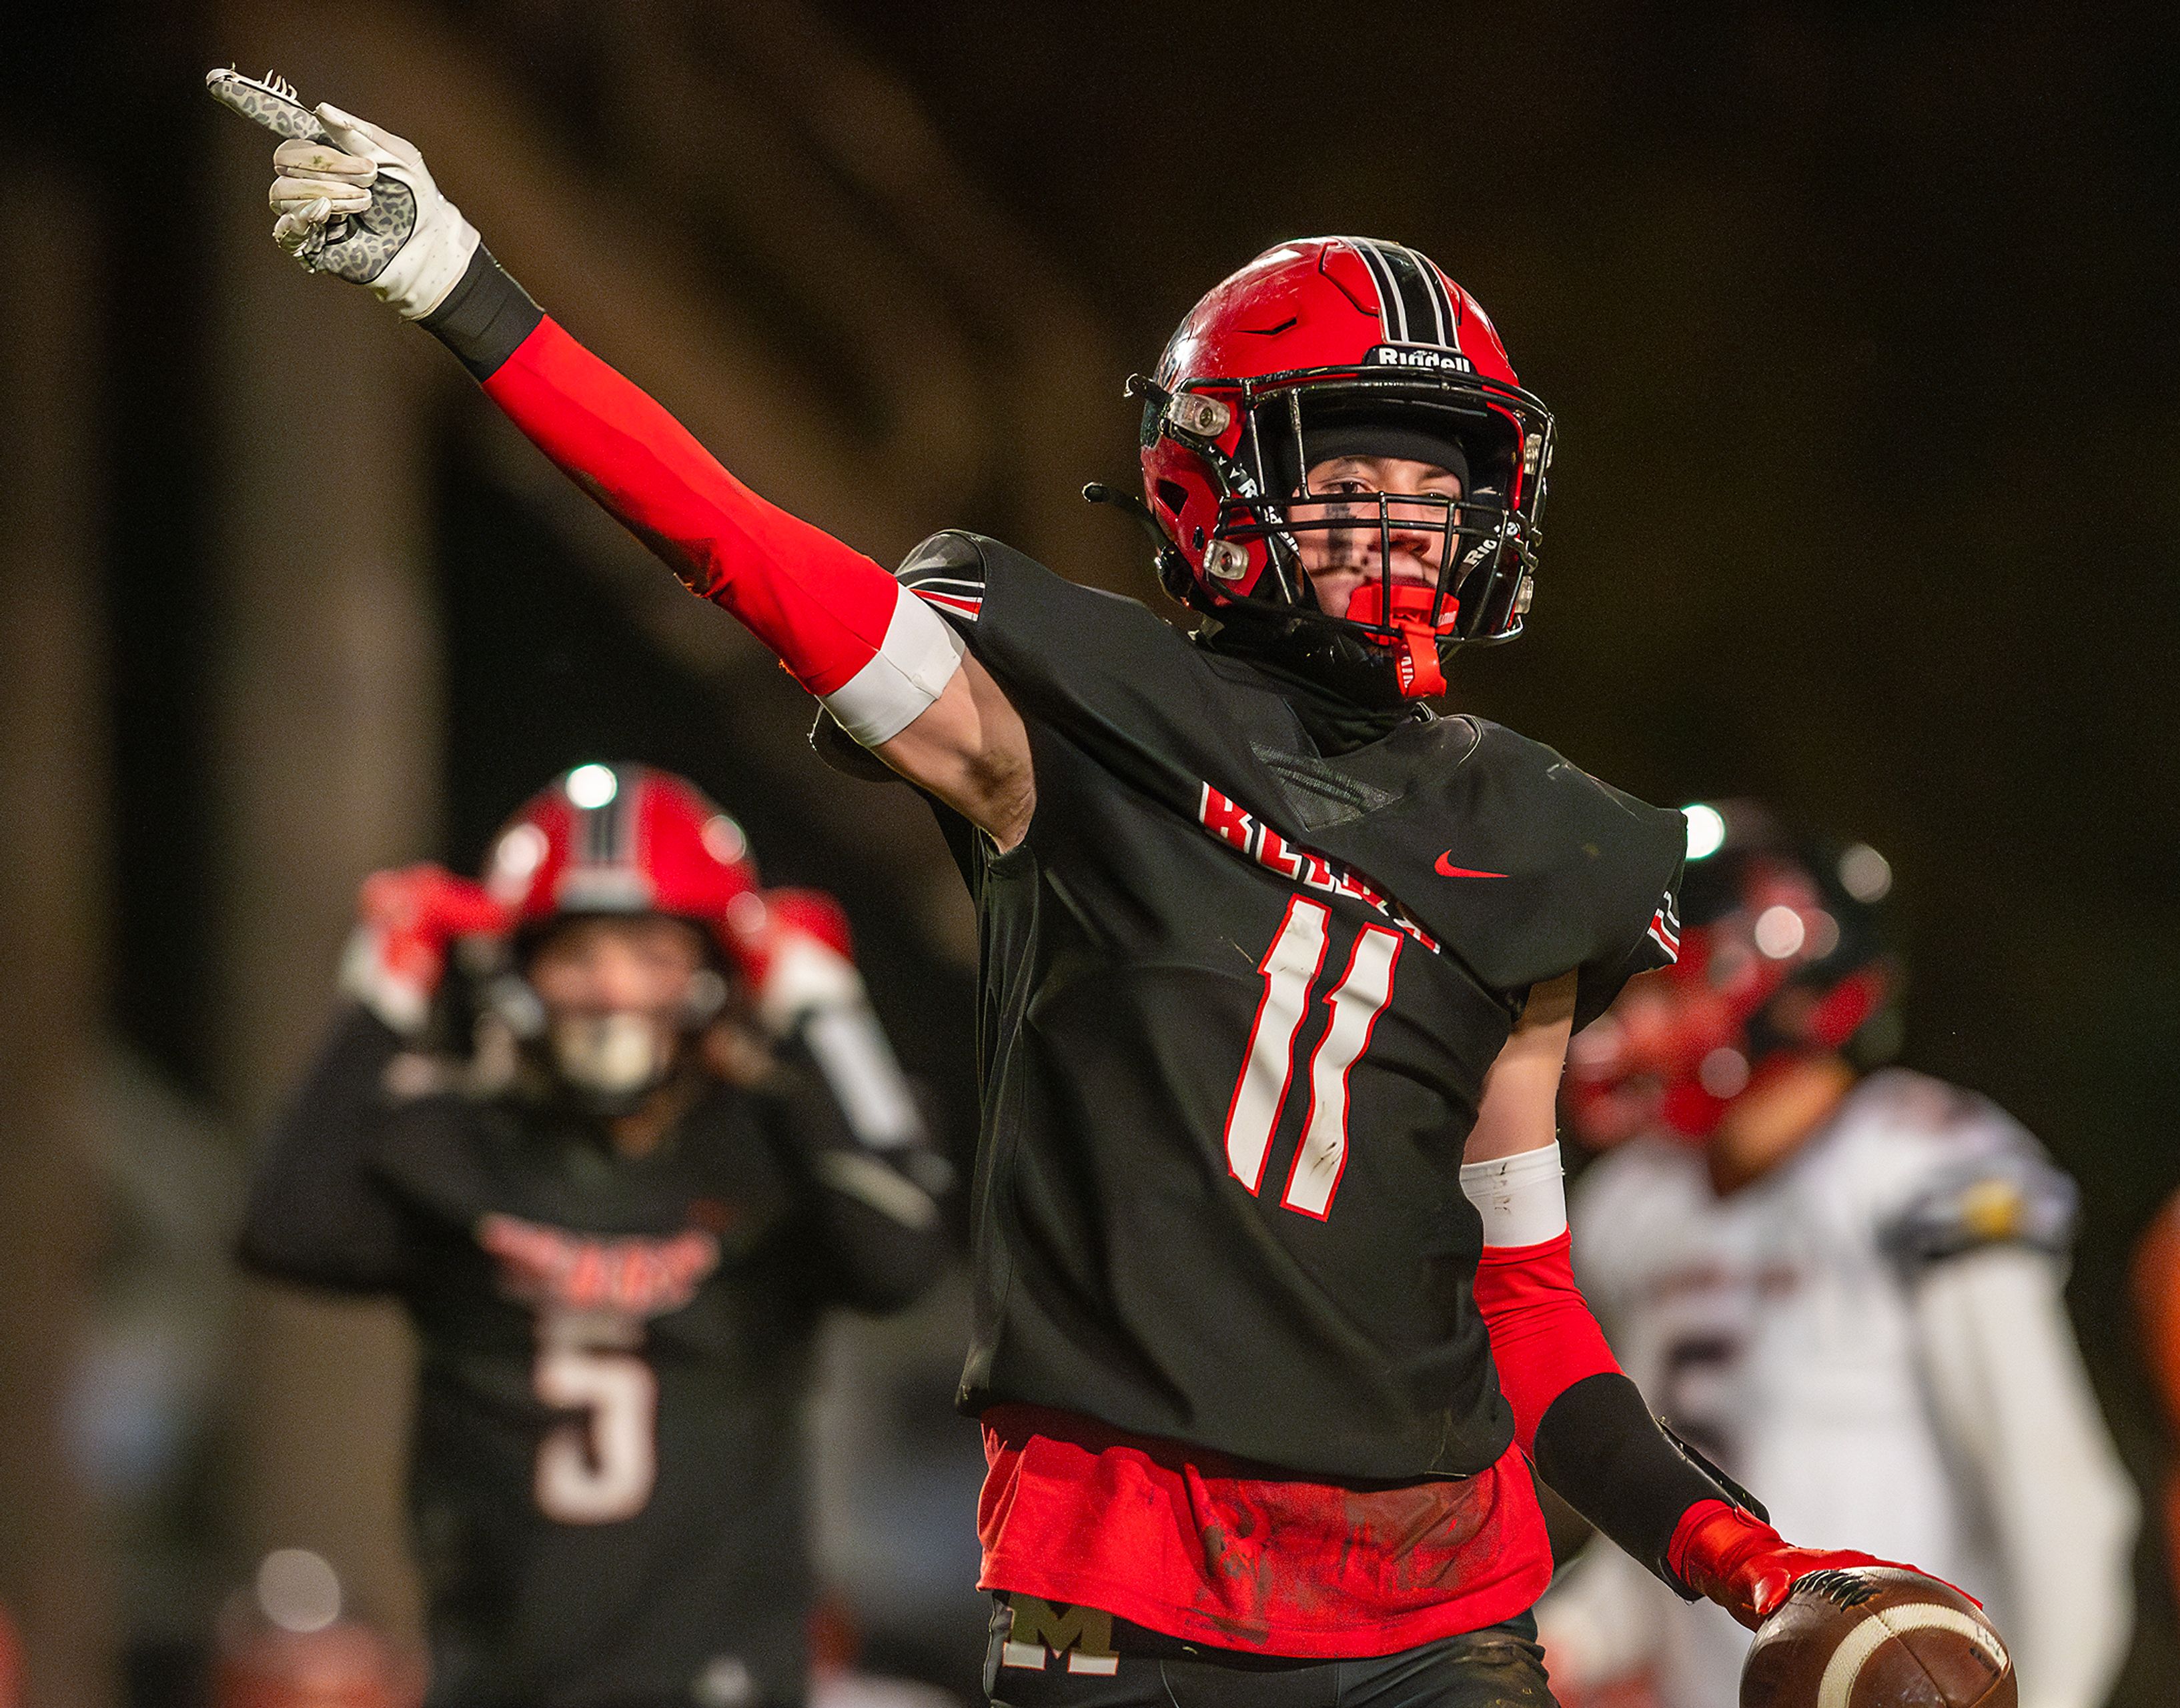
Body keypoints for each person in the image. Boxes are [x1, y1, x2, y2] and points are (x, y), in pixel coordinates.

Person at [216, 74, 1972, 1708]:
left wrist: (1745, 1558)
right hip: (1132, 1605)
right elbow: (738, 544)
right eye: (1351, 474)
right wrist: (465, 284)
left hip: (1442, 1615)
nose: (1404, 526)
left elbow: (1524, 1303)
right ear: (1218, 472)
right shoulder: (1066, 717)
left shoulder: (1541, 832)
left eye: (1438, 485)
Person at [239, 763, 948, 1708]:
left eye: (650, 951)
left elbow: (901, 1257)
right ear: (517, 965)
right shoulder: (461, 1143)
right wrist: (379, 997)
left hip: (721, 1676)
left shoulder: (767, 1144)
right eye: (579, 952)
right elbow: (284, 1227)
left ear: (716, 966)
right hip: (504, 1677)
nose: (614, 987)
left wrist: (827, 1010)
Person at [1539, 804, 2138, 1708]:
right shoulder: (1640, 1203)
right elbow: (1675, 1524)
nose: (1628, 1025)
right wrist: (1554, 1647)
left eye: (1671, 986)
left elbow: (2060, 1505)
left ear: (1779, 987)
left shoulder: (1913, 1164)